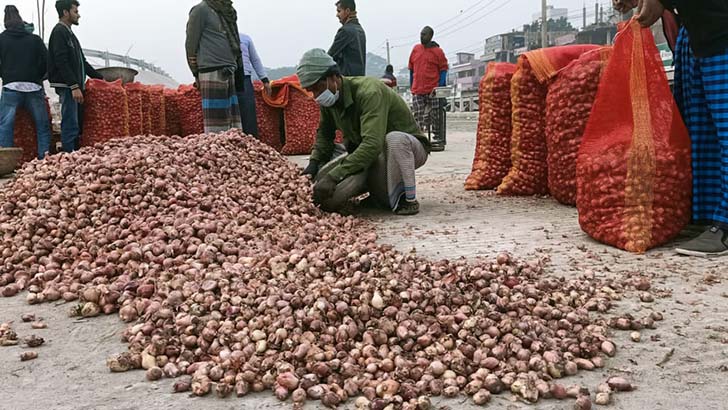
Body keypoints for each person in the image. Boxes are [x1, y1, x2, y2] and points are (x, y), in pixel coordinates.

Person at [633, 0, 728, 257]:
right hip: (704, 32)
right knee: (703, 135)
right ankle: (710, 218)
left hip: (720, 30)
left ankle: (724, 225)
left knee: (726, 133)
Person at [297, 49, 430, 216]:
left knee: (394, 139)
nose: (316, 95)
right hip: (373, 155)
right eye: (311, 91)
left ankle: (406, 199)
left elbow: (372, 144)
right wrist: (313, 164)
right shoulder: (328, 102)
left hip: (405, 149)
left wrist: (334, 176)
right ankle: (378, 194)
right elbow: (324, 135)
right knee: (329, 197)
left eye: (318, 88)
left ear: (333, 77)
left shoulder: (369, 92)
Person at [48, 0, 104, 153]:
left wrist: (101, 79)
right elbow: (61, 61)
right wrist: (74, 86)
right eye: (75, 12)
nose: (79, 15)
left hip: (74, 86)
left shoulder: (70, 34)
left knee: (76, 121)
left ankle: (74, 153)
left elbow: (83, 62)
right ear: (65, 13)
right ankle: (68, 155)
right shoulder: (59, 32)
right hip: (67, 86)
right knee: (70, 122)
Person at [0, 5, 51, 159]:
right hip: (34, 87)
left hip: (11, 87)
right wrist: (39, 76)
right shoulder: (34, 39)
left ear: (5, 21)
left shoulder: (1, 39)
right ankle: (44, 161)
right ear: (21, 21)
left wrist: (5, 75)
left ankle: (7, 162)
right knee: (42, 126)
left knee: (5, 126)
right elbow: (48, 62)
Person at [186, 0, 243, 133]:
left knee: (231, 119)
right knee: (216, 121)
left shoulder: (227, 11)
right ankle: (217, 151)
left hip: (229, 69)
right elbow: (191, 43)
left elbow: (235, 42)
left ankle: (232, 149)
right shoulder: (201, 10)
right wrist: (195, 71)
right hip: (210, 69)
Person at [408, 26, 449, 151]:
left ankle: (438, 137)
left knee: (436, 114)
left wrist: (438, 86)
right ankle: (419, 139)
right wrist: (412, 85)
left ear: (430, 36)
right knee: (418, 115)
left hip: (433, 90)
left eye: (424, 34)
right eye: (421, 34)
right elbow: (411, 69)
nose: (422, 37)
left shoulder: (438, 52)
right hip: (418, 89)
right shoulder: (416, 49)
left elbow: (443, 70)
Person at [237, 32, 270, 138]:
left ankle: (252, 142)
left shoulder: (245, 38)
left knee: (248, 113)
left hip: (244, 78)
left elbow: (255, 59)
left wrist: (264, 79)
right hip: (226, 79)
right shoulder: (219, 37)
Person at [328, 0, 366, 76]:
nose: (337, 15)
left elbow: (330, 56)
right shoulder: (360, 30)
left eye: (339, 11)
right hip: (359, 80)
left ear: (347, 11)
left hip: (347, 81)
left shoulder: (345, 31)